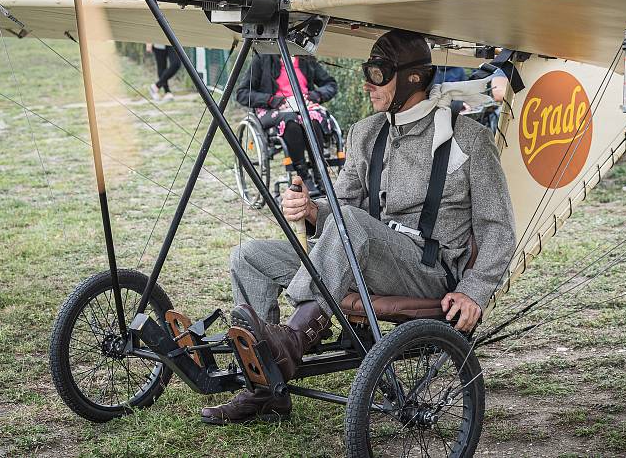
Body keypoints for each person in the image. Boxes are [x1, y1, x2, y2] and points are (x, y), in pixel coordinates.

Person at [202, 30, 516, 425]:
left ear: (413, 78)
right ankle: (265, 387)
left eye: (378, 72)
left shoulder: (470, 138)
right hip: (360, 256)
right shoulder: (366, 132)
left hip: (427, 272)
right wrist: (313, 211)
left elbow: (498, 228)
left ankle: (293, 338)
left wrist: (474, 291)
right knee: (249, 256)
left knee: (351, 225)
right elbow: (343, 208)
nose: (367, 82)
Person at [235, 53, 338, 194]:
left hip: (304, 108)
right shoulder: (262, 58)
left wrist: (315, 96)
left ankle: (321, 175)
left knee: (313, 119)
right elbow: (242, 93)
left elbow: (330, 84)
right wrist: (273, 100)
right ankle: (303, 177)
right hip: (272, 109)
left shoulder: (305, 59)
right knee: (290, 120)